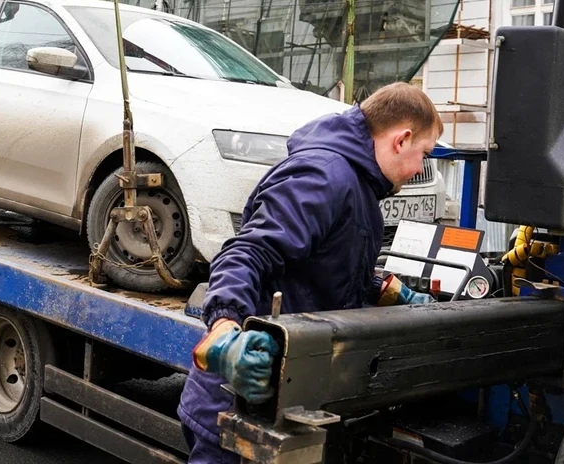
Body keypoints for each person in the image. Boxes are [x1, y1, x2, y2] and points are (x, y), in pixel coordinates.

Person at [177, 81, 445, 463]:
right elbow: (248, 252)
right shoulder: (325, 175)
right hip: (238, 404)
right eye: (425, 154)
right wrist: (224, 333)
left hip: (279, 396)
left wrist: (388, 290)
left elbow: (324, 260)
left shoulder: (356, 182)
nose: (421, 168)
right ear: (401, 140)